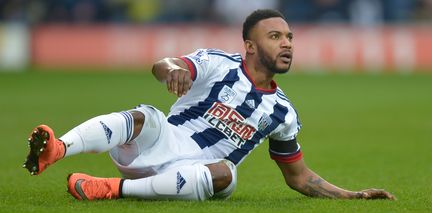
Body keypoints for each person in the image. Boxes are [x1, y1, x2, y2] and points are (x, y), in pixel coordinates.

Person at [23, 9, 395, 201]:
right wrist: (173, 70)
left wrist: (353, 195)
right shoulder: (218, 63)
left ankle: (108, 189)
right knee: (145, 116)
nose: (287, 44)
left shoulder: (283, 113)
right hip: (159, 144)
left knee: (228, 175)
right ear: (250, 45)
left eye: (290, 37)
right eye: (276, 36)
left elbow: (299, 177)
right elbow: (163, 65)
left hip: (195, 175)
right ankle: (57, 149)